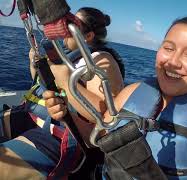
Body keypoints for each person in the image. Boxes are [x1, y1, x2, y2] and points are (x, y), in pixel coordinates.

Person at [45, 16, 187, 179]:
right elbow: (97, 139)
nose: (173, 62)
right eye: (168, 48)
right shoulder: (132, 92)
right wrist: (67, 115)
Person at [0, 7, 124, 179]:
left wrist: (66, 82)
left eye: (70, 25)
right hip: (32, 116)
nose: (63, 30)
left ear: (88, 36)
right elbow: (41, 86)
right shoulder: (67, 56)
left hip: (61, 137)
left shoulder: (101, 61)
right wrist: (34, 64)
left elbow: (107, 118)